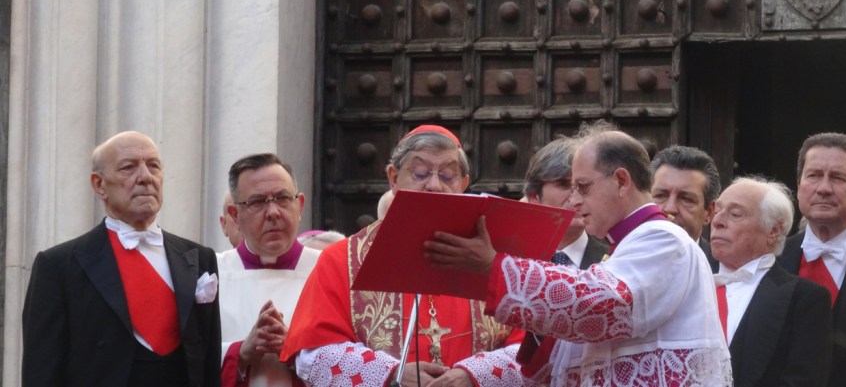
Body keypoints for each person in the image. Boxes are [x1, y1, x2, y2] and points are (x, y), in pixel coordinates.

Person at [424, 121, 732, 386]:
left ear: (621, 181)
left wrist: (495, 267)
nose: (575, 200)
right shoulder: (626, 247)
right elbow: (563, 356)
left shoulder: (663, 239)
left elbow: (601, 306)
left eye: (583, 187)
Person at [279, 125, 527, 386]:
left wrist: (474, 375)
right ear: (394, 179)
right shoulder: (341, 259)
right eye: (420, 173)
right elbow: (312, 354)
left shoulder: (495, 260)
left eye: (447, 176)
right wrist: (390, 374)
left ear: (463, 184)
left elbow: (530, 351)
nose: (434, 186)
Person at [22, 131, 221, 387]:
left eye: (153, 166)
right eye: (129, 167)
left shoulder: (199, 258)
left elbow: (208, 363)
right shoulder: (58, 266)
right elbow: (41, 372)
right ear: (99, 185)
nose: (146, 177)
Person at [711, 176, 831, 386]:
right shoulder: (689, 283)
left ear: (773, 230)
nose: (718, 221)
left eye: (735, 214)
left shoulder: (804, 298)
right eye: (717, 210)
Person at [777, 132, 846, 387]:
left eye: (838, 177)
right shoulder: (768, 260)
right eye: (814, 175)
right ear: (799, 186)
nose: (823, 188)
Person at [217, 153, 321, 386]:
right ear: (235, 215)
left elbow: (353, 360)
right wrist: (241, 352)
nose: (273, 212)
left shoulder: (330, 270)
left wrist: (294, 351)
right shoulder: (212, 274)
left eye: (283, 198)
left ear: (300, 205)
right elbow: (189, 360)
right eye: (257, 202)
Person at [516, 136, 610, 378]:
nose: (575, 196)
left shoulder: (614, 255)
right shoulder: (513, 260)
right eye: (563, 184)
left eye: (582, 185)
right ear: (535, 197)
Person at [651, 145, 721, 270]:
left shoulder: (726, 274)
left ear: (709, 212)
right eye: (660, 195)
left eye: (686, 199)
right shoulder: (615, 265)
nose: (670, 208)